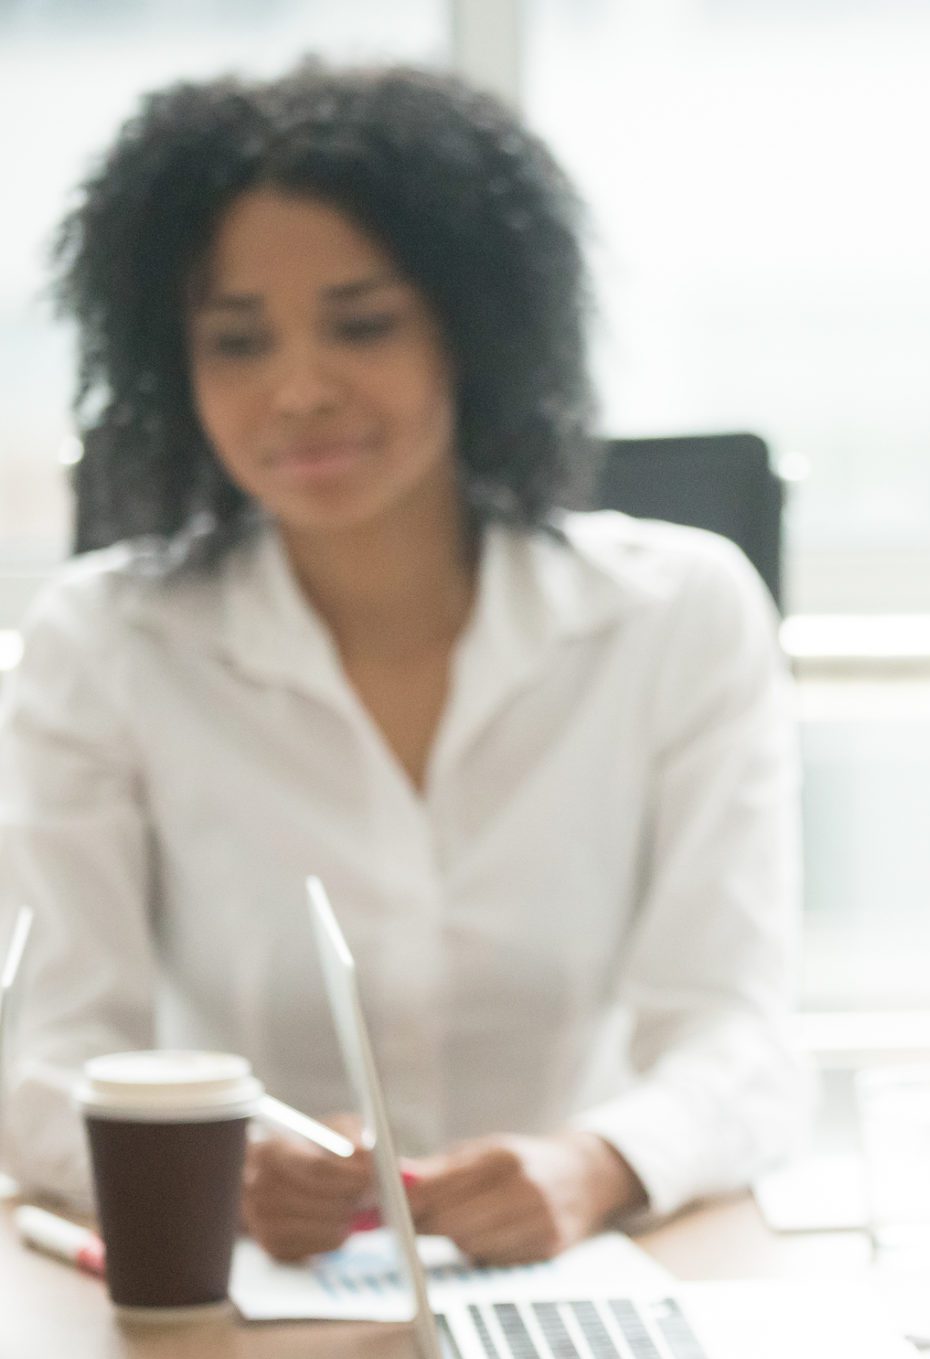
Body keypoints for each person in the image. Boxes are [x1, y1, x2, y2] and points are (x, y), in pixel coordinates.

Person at [1, 65, 807, 1264]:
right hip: (249, 1316)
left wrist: (593, 1166)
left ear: (471, 332)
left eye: (362, 324)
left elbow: (743, 1042)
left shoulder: (679, 615)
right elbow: (45, 1066)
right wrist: (221, 1167)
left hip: (583, 1281)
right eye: (235, 342)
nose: (299, 390)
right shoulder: (99, 646)